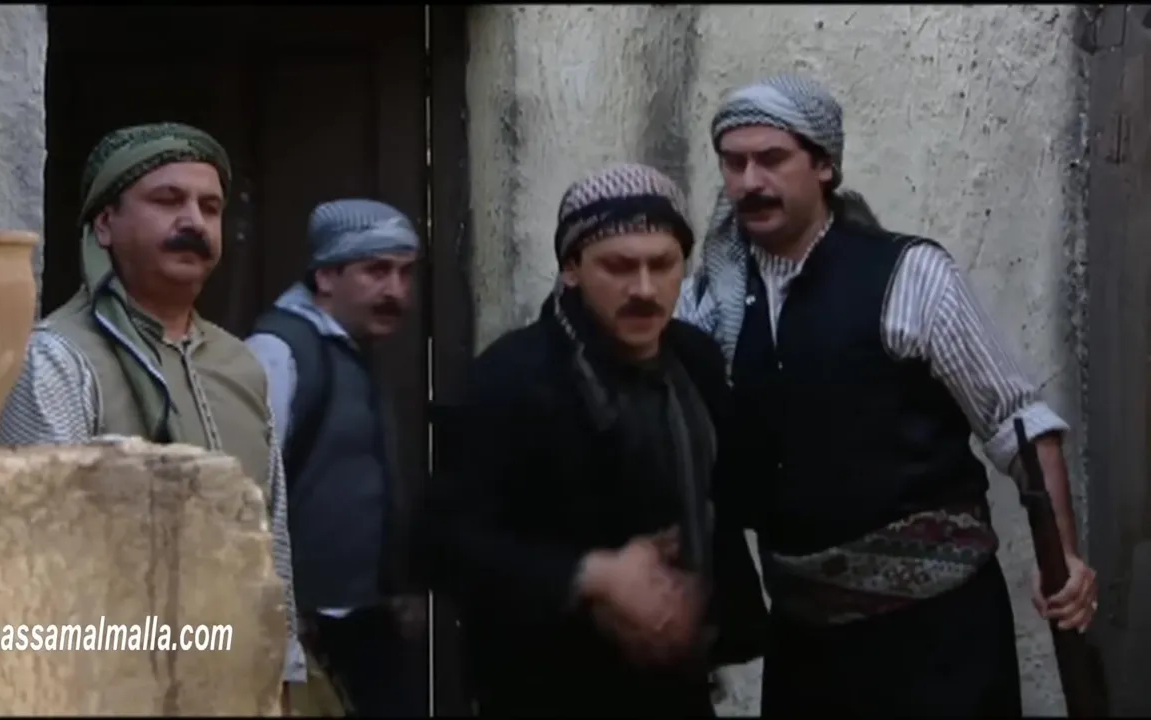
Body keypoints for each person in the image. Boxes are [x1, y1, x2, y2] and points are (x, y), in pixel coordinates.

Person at [677, 75, 1099, 716]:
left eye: (771, 159)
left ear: (823, 164)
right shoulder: (707, 303)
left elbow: (1017, 422)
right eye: (733, 163)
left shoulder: (911, 277)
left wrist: (1061, 555)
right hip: (806, 645)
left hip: (941, 643)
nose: (749, 182)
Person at [428, 163, 769, 717]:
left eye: (662, 265)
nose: (644, 289)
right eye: (618, 266)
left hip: (678, 683)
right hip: (546, 689)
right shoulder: (509, 379)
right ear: (571, 269)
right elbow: (442, 543)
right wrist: (594, 575)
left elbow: (727, 495)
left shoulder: (695, 361)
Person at [0, 123, 306, 709]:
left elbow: (272, 537)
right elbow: (35, 557)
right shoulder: (57, 360)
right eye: (167, 200)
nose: (194, 222)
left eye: (209, 207)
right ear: (104, 225)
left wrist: (281, 675)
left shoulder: (239, 364)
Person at [245, 199, 428, 717]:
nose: (396, 291)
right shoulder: (279, 351)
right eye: (377, 271)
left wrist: (396, 588)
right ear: (326, 276)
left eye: (405, 273)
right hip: (304, 630)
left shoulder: (355, 349)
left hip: (365, 623)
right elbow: (247, 491)